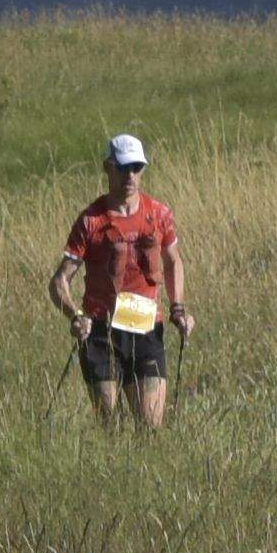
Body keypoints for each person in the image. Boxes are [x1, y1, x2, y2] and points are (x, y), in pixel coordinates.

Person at [53, 130, 193, 427]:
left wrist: (178, 308)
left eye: (136, 168)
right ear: (108, 167)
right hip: (101, 331)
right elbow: (59, 282)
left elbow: (173, 260)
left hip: (145, 327)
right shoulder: (91, 220)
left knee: (151, 425)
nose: (130, 175)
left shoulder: (159, 214)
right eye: (123, 167)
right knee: (110, 424)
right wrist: (75, 316)